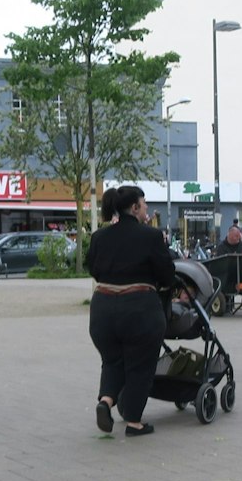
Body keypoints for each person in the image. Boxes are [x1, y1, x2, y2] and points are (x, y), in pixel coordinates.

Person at [86, 185, 176, 437]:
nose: (146, 208)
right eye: (144, 204)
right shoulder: (150, 236)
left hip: (102, 308)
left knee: (112, 360)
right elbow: (167, 274)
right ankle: (134, 422)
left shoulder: (99, 237)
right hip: (139, 309)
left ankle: (106, 401)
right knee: (140, 364)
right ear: (135, 207)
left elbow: (93, 268)